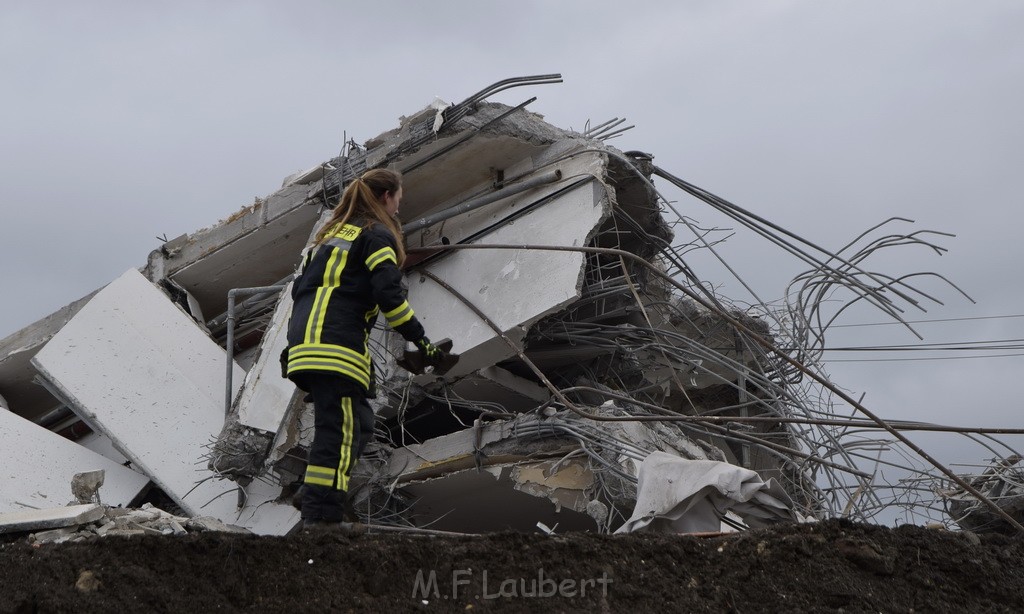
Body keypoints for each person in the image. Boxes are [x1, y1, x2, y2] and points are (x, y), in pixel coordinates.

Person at [283, 168, 450, 530]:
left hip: (306, 345)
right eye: (398, 204)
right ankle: (321, 519)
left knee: (359, 423)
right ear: (387, 197)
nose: (397, 213)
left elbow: (301, 294)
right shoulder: (376, 236)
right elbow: (390, 296)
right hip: (335, 347)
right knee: (338, 432)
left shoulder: (328, 239)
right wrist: (422, 342)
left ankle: (311, 491)